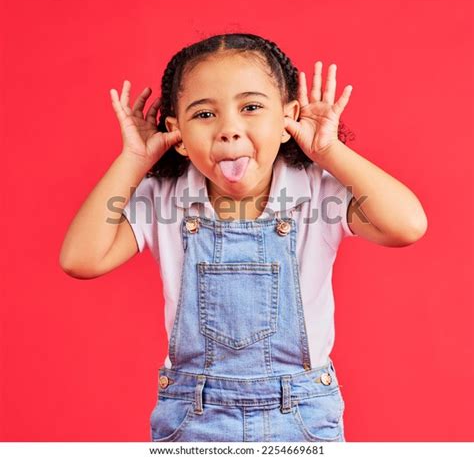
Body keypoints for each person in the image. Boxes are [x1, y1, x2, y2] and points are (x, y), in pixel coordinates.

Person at [59, 33, 428, 442]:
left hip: (302, 417)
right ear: (175, 132)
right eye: (204, 115)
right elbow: (80, 259)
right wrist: (132, 160)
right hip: (193, 418)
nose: (229, 130)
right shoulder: (163, 199)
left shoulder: (319, 191)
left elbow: (406, 225)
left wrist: (329, 152)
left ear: (288, 119)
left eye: (251, 107)